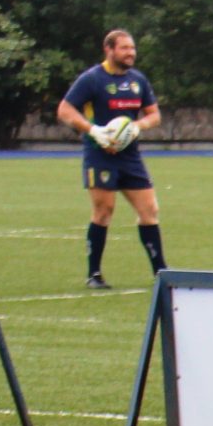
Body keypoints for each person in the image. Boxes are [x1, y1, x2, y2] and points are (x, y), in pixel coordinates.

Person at [56, 30, 165, 292]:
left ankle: (161, 271)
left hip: (130, 156)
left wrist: (138, 126)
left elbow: (154, 115)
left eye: (133, 48)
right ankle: (94, 274)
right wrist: (93, 130)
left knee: (149, 211)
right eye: (125, 48)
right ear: (109, 50)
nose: (131, 53)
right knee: (104, 212)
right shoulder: (92, 79)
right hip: (99, 154)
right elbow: (64, 110)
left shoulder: (138, 80)